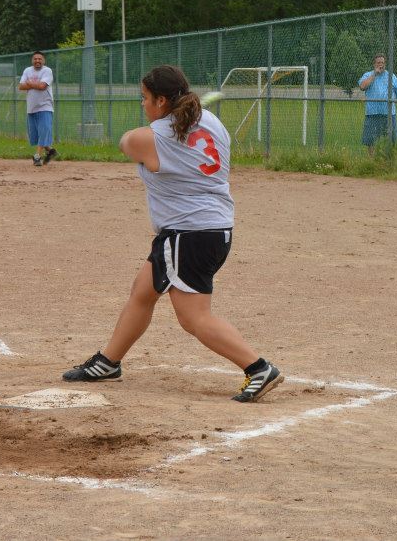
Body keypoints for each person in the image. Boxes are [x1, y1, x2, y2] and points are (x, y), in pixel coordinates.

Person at [62, 65, 283, 403]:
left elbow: (126, 142)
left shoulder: (152, 138)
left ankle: (257, 367)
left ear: (162, 100)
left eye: (146, 98)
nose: (142, 104)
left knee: (194, 317)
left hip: (189, 235)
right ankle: (109, 361)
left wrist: (158, 127)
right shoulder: (211, 122)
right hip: (211, 229)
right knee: (143, 291)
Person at [358, 54, 397, 154]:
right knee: (370, 141)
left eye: (382, 62)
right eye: (378, 63)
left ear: (385, 64)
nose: (381, 65)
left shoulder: (391, 76)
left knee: (392, 139)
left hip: (388, 114)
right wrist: (374, 75)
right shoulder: (368, 75)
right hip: (372, 113)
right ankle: (371, 162)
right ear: (374, 64)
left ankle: (389, 160)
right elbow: (362, 86)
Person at [18, 51, 57, 166]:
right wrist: (34, 84)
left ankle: (37, 156)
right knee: (36, 134)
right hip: (32, 107)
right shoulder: (27, 70)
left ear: (43, 60)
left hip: (45, 106)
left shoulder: (47, 71)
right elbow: (21, 86)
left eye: (40, 59)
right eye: (35, 59)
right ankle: (50, 151)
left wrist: (30, 83)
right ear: (32, 60)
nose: (37, 61)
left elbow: (42, 86)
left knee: (44, 130)